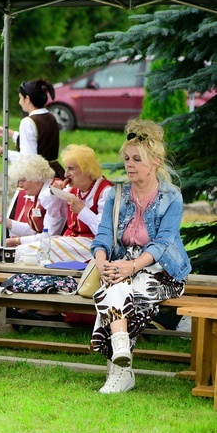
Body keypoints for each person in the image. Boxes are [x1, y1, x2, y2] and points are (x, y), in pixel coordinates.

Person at [90, 119, 190, 394]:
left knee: (134, 292)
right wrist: (103, 266)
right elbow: (101, 238)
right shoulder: (116, 194)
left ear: (155, 161)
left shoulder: (172, 197)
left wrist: (131, 267)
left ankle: (119, 370)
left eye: (137, 159)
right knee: (114, 286)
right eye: (126, 158)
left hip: (162, 269)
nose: (130, 164)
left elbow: (162, 243)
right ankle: (122, 353)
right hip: (122, 264)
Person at [17, 145, 113, 263]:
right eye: (66, 168)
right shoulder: (73, 189)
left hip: (92, 246)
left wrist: (83, 210)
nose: (66, 174)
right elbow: (54, 211)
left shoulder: (105, 191)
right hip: (70, 242)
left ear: (86, 170)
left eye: (71, 169)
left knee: (31, 252)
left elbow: (104, 231)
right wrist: (53, 191)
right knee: (27, 251)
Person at [0, 154, 66, 248]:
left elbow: (49, 236)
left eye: (23, 180)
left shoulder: (53, 196)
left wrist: (16, 241)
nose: (20, 185)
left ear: (37, 178)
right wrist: (4, 221)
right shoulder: (37, 192)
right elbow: (33, 230)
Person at [0, 79, 65, 179]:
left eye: (20, 98)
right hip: (56, 174)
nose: (19, 102)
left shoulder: (27, 122)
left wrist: (3, 152)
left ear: (27, 99)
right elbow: (40, 140)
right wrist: (9, 133)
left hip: (39, 178)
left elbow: (28, 160)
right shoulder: (51, 116)